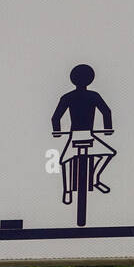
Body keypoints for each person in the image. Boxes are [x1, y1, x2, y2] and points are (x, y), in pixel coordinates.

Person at [50, 64, 115, 205]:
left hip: (88, 135)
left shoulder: (72, 96)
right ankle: (68, 190)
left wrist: (57, 131)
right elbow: (106, 112)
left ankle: (94, 179)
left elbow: (55, 118)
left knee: (108, 153)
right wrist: (108, 128)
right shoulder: (87, 96)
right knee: (66, 161)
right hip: (76, 136)